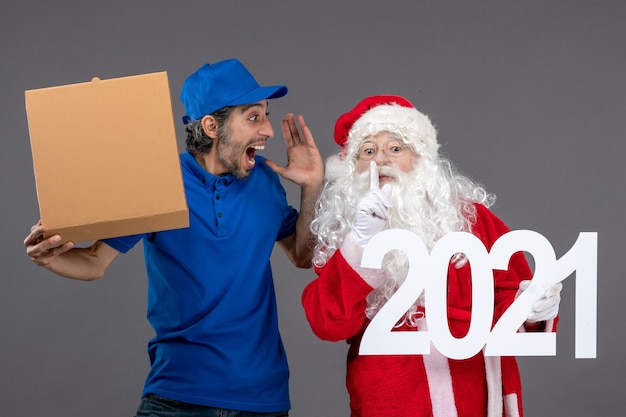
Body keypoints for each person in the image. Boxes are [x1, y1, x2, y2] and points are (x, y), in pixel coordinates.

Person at [24, 58, 324, 417]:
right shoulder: (159, 182)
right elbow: (93, 262)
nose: (269, 131)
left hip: (262, 398)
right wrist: (48, 256)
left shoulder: (264, 181)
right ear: (213, 126)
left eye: (266, 115)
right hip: (177, 396)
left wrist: (311, 187)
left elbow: (302, 255)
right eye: (254, 117)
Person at [301, 95, 562, 417]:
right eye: (367, 151)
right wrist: (361, 242)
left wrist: (532, 309)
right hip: (392, 399)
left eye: (396, 148)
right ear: (353, 168)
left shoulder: (473, 218)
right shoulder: (345, 233)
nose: (381, 159)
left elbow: (511, 290)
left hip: (476, 393)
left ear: (421, 158)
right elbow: (328, 324)